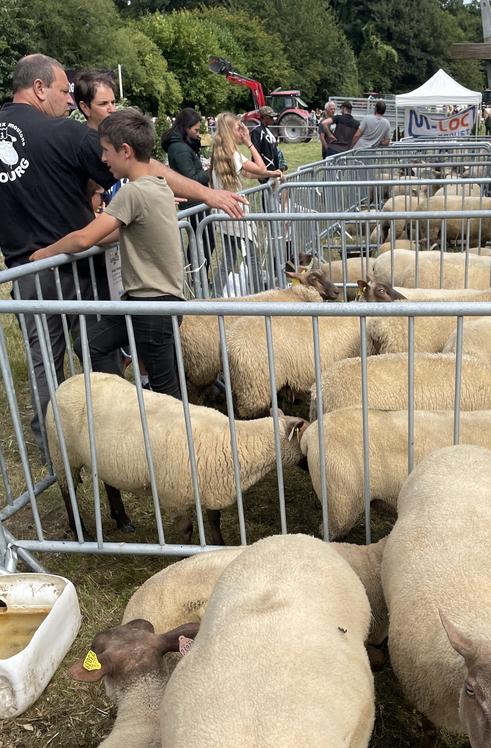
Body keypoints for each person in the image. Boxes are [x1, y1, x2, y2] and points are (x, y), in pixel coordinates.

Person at [0, 53, 246, 453]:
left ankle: (57, 451)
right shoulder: (62, 133)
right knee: (100, 351)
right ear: (39, 88)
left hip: (24, 272)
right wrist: (208, 194)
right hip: (75, 269)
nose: (68, 102)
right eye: (64, 91)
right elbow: (147, 168)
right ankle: (114, 438)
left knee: (46, 359)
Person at [30, 109, 189, 398]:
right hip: (147, 304)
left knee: (168, 395)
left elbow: (85, 237)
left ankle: (175, 439)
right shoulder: (158, 186)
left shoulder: (133, 192)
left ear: (125, 151)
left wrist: (46, 253)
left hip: (153, 307)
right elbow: (113, 234)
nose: (102, 159)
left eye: (106, 151)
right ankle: (121, 403)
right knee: (91, 341)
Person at [210, 111, 282, 293]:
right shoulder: (232, 154)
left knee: (230, 256)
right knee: (250, 256)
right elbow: (260, 167)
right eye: (238, 128)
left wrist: (272, 174)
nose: (241, 131)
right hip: (235, 212)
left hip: (224, 212)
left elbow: (249, 173)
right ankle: (260, 295)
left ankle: (214, 294)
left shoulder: (221, 152)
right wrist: (249, 142)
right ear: (229, 131)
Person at [161, 108, 212, 279]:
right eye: (196, 130)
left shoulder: (183, 146)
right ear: (186, 128)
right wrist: (209, 171)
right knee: (202, 240)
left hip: (196, 200)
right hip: (193, 201)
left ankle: (201, 276)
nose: (198, 134)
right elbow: (191, 178)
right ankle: (199, 277)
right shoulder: (179, 149)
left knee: (202, 239)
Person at [250, 105, 287, 173]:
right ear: (264, 117)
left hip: (275, 169)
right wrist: (257, 170)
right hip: (266, 170)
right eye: (271, 117)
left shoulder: (269, 131)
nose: (273, 119)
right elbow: (255, 151)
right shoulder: (257, 131)